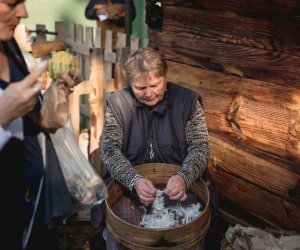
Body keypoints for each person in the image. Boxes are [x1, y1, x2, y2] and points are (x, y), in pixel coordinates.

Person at [94, 47, 210, 249]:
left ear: (165, 76)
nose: (148, 93)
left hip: (179, 187)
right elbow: (109, 150)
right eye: (140, 88)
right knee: (124, 233)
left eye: (155, 85)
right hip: (129, 188)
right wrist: (133, 180)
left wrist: (184, 177)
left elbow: (200, 147)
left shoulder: (187, 102)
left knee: (188, 234)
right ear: (130, 83)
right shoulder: (118, 104)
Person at [0, 1, 82, 249]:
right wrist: (2, 116)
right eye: (11, 3)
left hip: (31, 205)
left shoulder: (8, 45)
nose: (23, 12)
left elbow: (35, 121)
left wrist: (58, 92)